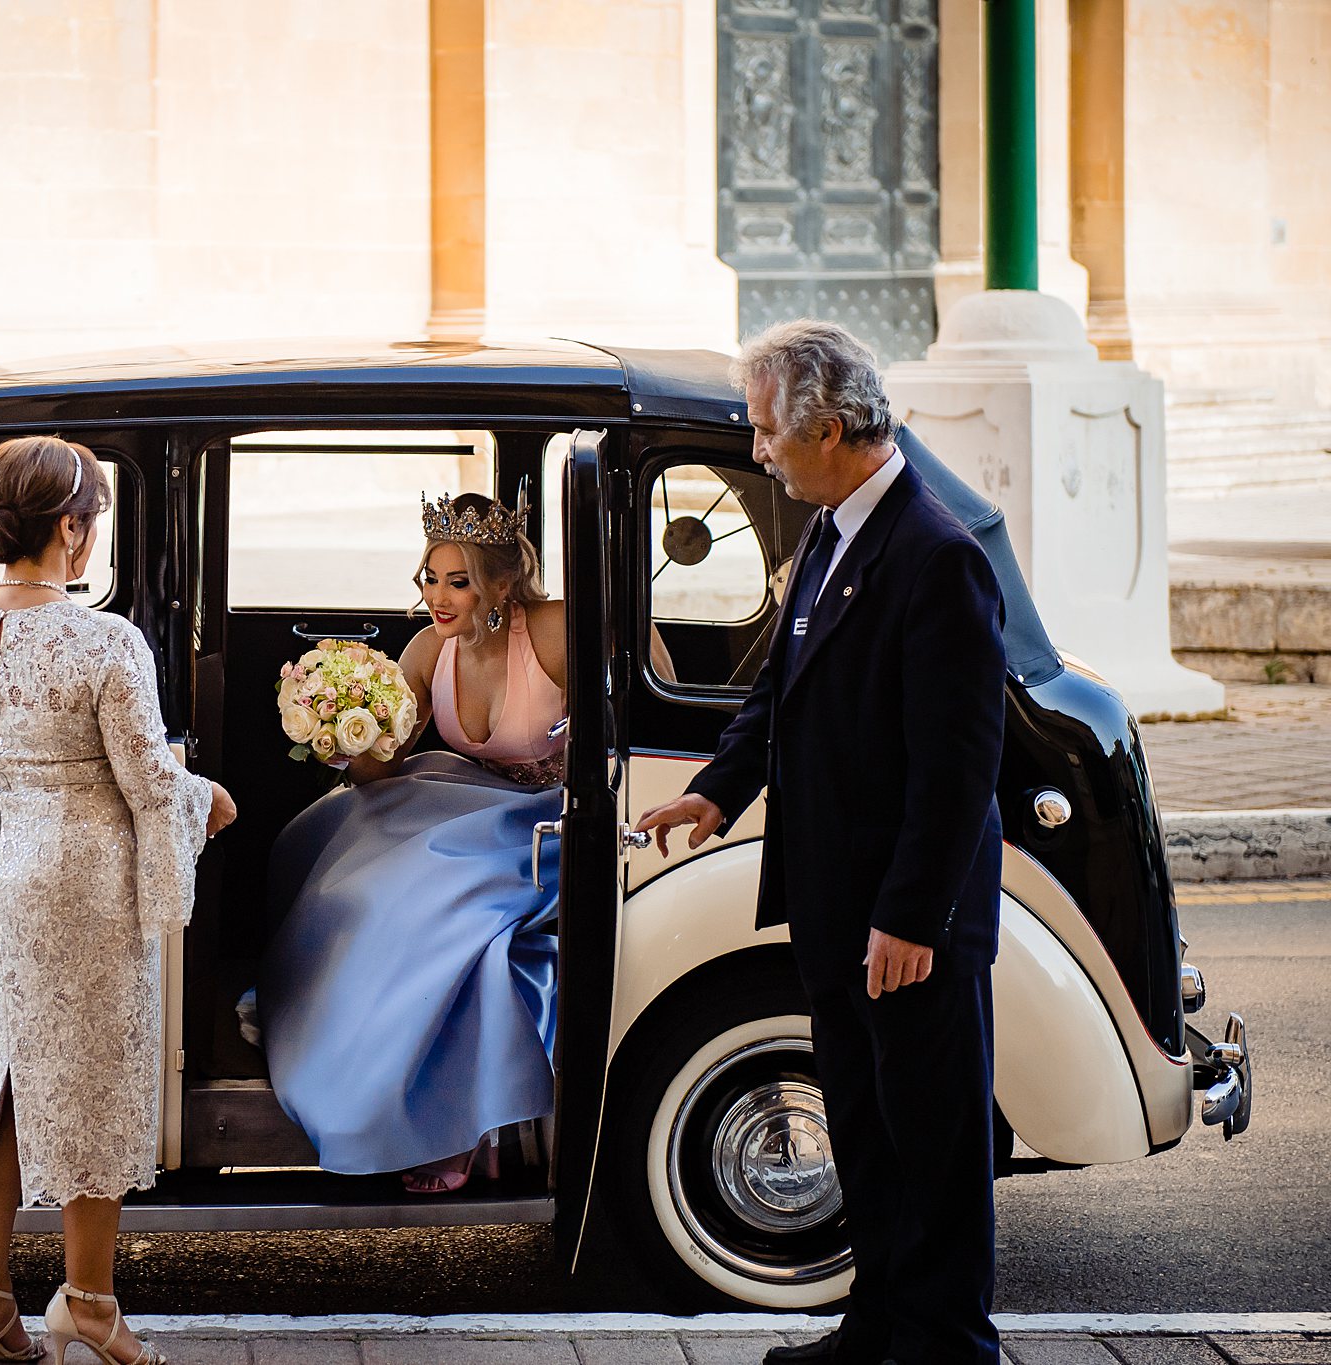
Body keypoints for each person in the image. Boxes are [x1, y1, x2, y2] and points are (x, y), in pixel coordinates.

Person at [634, 321, 1005, 1365]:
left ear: (830, 428)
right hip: (835, 902)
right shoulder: (831, 532)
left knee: (931, 1145)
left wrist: (910, 916)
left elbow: (955, 766)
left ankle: (944, 1346)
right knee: (867, 1133)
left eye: (764, 435)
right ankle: (876, 1327)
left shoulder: (935, 557)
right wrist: (713, 794)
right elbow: (777, 694)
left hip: (903, 919)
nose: (756, 452)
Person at [0, 435, 237, 1365]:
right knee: (96, 1077)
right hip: (77, 883)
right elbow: (146, 779)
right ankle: (89, 1304)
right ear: (70, 527)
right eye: (89, 521)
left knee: (1, 1075)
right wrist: (205, 801)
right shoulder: (105, 640)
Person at [259, 491, 572, 1194]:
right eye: (429, 578)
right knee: (353, 866)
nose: (437, 595)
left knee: (435, 899)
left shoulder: (553, 631)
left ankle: (443, 1121)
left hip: (555, 819)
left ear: (499, 583)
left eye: (456, 581)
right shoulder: (430, 648)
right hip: (471, 804)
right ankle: (347, 1053)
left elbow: (640, 684)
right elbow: (385, 765)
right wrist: (338, 737)